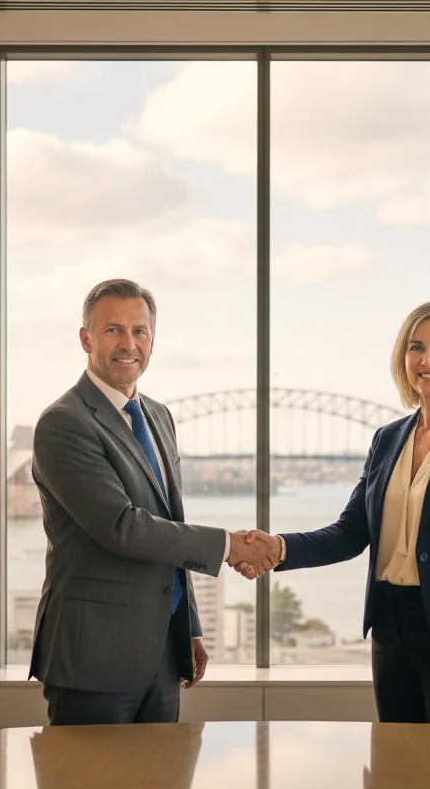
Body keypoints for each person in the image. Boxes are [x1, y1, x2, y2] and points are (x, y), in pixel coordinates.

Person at [240, 301, 430, 724]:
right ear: (402, 359)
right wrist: (278, 548)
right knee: (397, 760)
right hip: (391, 632)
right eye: (416, 347)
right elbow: (349, 533)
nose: (428, 360)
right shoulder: (388, 439)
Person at [28, 278, 277, 725]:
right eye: (113, 330)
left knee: (163, 772)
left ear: (152, 341)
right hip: (93, 656)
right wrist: (229, 546)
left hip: (162, 651)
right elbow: (122, 527)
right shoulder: (64, 423)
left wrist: (190, 627)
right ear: (86, 339)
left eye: (139, 331)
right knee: (88, 773)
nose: (129, 344)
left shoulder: (159, 416)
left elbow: (170, 523)